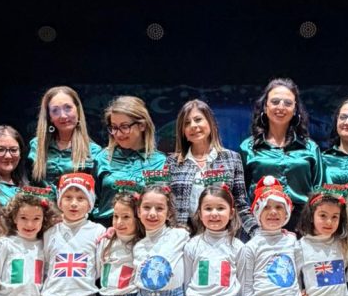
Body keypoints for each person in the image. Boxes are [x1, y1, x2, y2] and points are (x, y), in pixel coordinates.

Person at [240, 78, 324, 232]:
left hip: (304, 225)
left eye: (287, 103)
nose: (281, 107)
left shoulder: (310, 147)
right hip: (262, 223)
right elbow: (239, 195)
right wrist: (251, 227)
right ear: (265, 107)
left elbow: (320, 191)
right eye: (275, 101)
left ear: (295, 109)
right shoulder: (248, 147)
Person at [166, 99, 254, 236]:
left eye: (198, 119)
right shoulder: (172, 162)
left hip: (222, 236)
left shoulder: (232, 158)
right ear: (182, 131)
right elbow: (167, 206)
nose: (193, 126)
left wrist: (259, 232)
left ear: (210, 122)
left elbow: (241, 205)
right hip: (182, 237)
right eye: (187, 123)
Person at [94, 96, 166, 225]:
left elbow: (163, 204)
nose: (119, 134)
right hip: (106, 229)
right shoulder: (102, 158)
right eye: (114, 127)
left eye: (125, 126)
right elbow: (91, 201)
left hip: (146, 230)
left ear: (142, 125)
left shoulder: (161, 162)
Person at [27, 85, 101, 198]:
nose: (63, 115)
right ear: (49, 117)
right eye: (55, 110)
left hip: (76, 213)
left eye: (68, 108)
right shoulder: (36, 145)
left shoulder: (94, 151)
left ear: (78, 110)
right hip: (40, 213)